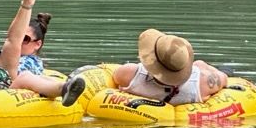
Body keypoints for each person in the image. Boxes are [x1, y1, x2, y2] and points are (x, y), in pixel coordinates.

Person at [60, 28, 228, 107]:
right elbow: (225, 79)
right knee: (200, 64)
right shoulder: (205, 83)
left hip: (137, 123)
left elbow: (115, 76)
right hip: (185, 123)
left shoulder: (131, 74)